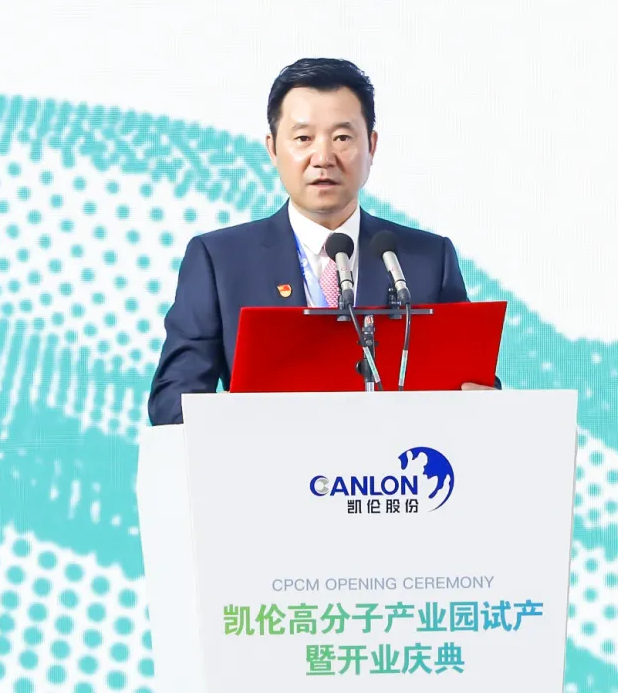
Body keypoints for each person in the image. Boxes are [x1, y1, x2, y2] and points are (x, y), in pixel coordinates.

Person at [147, 58, 498, 425]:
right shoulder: (221, 261)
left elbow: (473, 386)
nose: (323, 158)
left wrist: (484, 404)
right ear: (273, 149)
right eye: (303, 138)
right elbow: (173, 403)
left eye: (342, 138)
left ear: (371, 146)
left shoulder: (426, 259)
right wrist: (245, 419)